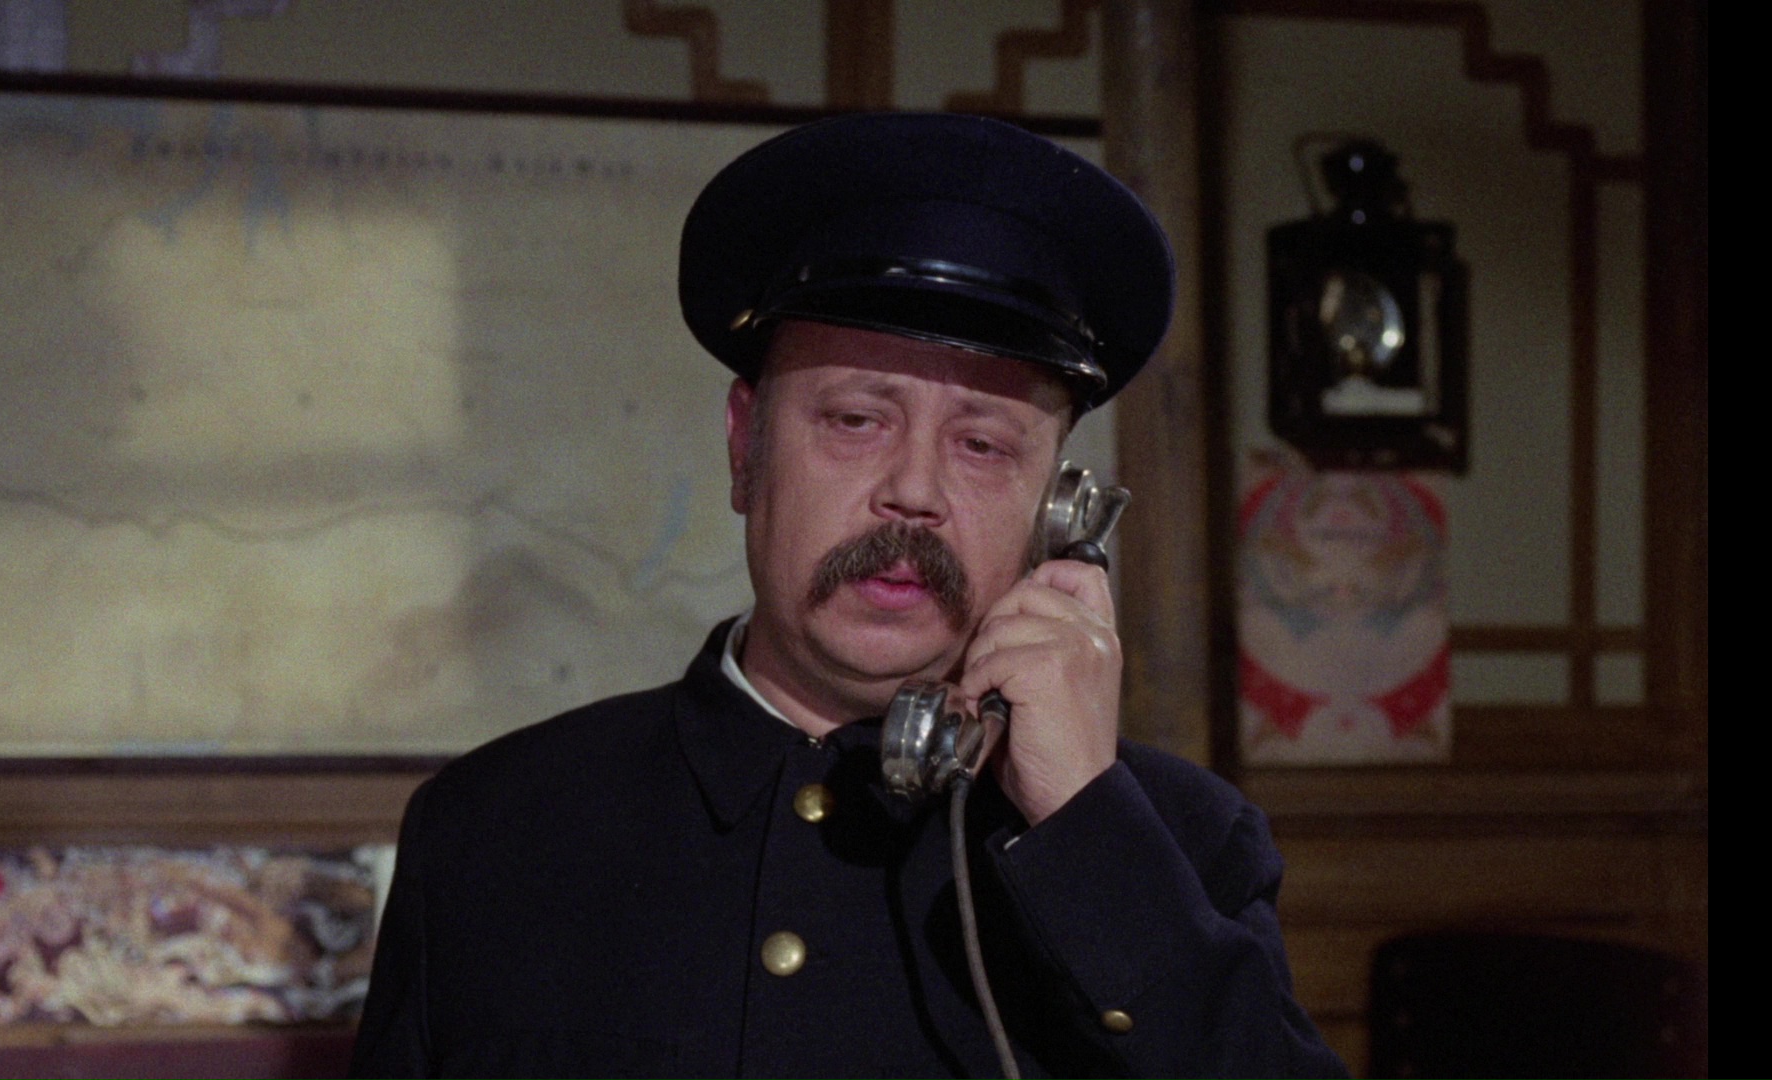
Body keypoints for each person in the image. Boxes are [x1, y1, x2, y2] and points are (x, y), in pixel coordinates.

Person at [348, 113, 1350, 1079]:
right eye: (857, 421)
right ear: (745, 448)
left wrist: (1086, 833)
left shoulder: (1181, 845)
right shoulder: (493, 829)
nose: (914, 491)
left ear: (1059, 512)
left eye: (983, 445)